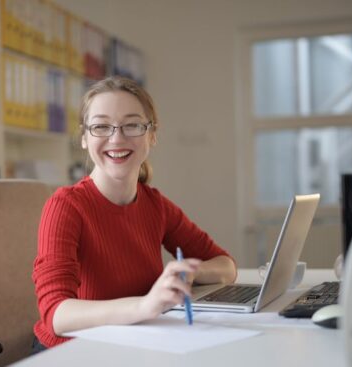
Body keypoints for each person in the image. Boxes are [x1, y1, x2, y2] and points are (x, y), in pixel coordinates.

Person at [32, 76, 237, 352]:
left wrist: (190, 272)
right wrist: (145, 305)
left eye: (132, 125)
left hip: (133, 344)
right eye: (101, 126)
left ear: (152, 135)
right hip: (73, 352)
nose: (117, 138)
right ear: (84, 138)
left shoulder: (155, 205)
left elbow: (227, 266)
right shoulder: (66, 206)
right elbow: (56, 315)